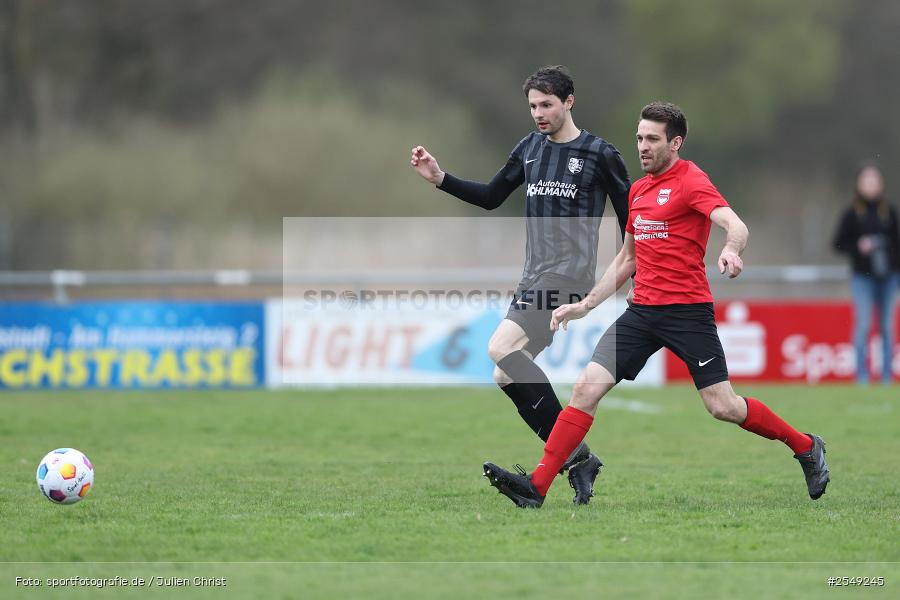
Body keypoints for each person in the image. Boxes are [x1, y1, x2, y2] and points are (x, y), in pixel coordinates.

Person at [482, 101, 830, 508]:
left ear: (675, 142)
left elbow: (735, 224)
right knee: (584, 389)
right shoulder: (640, 190)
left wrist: (732, 250)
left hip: (687, 313)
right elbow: (628, 259)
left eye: (652, 139)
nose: (642, 147)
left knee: (723, 406)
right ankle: (537, 488)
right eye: (639, 138)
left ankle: (806, 446)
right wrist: (586, 305)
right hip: (642, 313)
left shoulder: (691, 180)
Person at [410, 65, 631, 504]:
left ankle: (567, 461)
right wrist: (441, 179)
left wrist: (637, 273)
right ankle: (578, 458)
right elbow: (492, 196)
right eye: (533, 106)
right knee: (503, 372)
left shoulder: (600, 153)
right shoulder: (529, 148)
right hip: (532, 277)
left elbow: (633, 222)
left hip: (569, 277)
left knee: (499, 347)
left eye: (547, 104)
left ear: (569, 101)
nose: (539, 113)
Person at [832, 164, 899, 384]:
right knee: (863, 325)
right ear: (859, 185)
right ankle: (861, 376)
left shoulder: (889, 212)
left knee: (887, 326)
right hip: (863, 277)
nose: (871, 185)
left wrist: (887, 251)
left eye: (875, 180)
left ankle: (887, 377)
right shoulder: (852, 213)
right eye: (867, 181)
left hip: (889, 277)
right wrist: (859, 247)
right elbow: (838, 243)